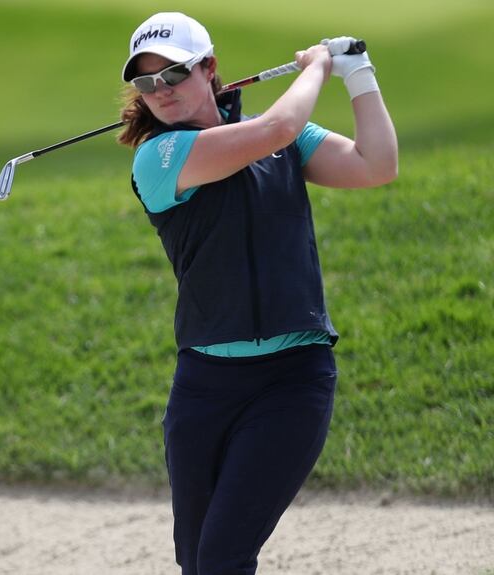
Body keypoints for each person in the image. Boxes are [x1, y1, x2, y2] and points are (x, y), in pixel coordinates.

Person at [116, 11, 397, 575]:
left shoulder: (283, 142)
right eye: (146, 82)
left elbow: (376, 165)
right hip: (203, 388)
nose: (160, 91)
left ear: (209, 68)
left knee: (223, 556)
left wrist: (358, 73)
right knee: (197, 561)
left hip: (292, 382)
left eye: (174, 74)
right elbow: (275, 130)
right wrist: (317, 67)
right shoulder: (159, 157)